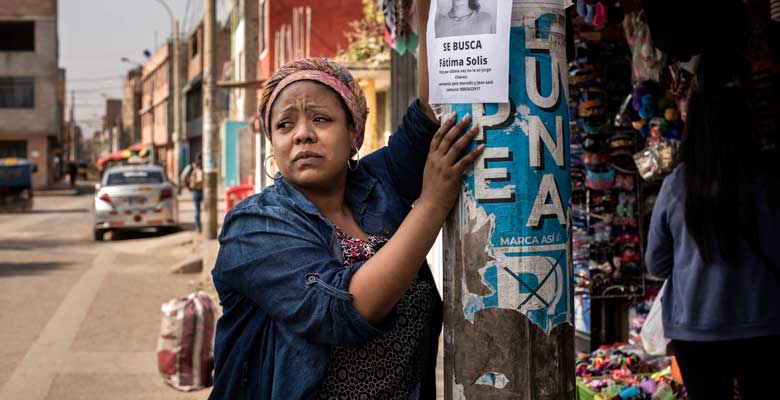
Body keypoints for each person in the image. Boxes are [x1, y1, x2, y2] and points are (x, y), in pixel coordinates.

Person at [209, 3, 484, 398]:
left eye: (321, 119)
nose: (302, 134)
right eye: (285, 125)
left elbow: (431, 107)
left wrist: (427, 15)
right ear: (273, 143)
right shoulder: (254, 227)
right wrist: (431, 205)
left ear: (353, 133)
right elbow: (347, 309)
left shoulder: (377, 183)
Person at [645, 43, 780, 400]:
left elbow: (656, 264)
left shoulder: (676, 184)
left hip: (694, 330)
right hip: (761, 323)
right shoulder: (764, 181)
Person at [180, 154, 204, 233]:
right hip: (204, 190)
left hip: (195, 190)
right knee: (203, 210)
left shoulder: (191, 166)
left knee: (197, 210)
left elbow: (183, 177)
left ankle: (198, 227)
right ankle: (200, 226)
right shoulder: (204, 165)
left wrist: (188, 187)